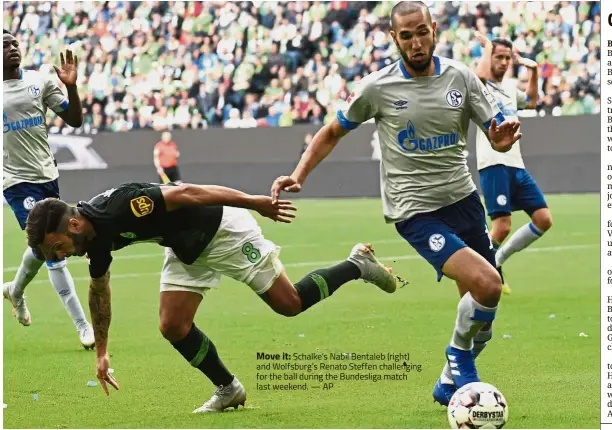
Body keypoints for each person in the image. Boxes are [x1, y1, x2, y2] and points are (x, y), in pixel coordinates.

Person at [270, 1, 521, 407]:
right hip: (416, 211)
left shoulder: (461, 78)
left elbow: (493, 131)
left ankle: (446, 383)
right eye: (406, 35)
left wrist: (499, 140)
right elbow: (332, 131)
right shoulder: (377, 87)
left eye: (422, 32)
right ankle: (457, 358)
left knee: (482, 318)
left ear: (434, 29)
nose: (416, 42)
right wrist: (299, 174)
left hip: (464, 201)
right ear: (394, 38)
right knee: (489, 284)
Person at [25, 181, 396, 412]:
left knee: (290, 304)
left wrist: (254, 202)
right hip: (186, 248)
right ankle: (229, 388)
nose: (60, 256)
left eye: (57, 247)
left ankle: (357, 264)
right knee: (173, 325)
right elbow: (99, 290)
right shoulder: (94, 240)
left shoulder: (122, 205)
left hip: (221, 230)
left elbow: (188, 193)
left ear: (72, 225)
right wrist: (103, 350)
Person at [2, 29, 94, 348]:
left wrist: (71, 87)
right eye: (4, 45)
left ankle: (15, 289)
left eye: (14, 43)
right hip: (16, 183)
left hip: (47, 176)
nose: (12, 48)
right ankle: (83, 326)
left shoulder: (39, 81)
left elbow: (74, 120)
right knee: (53, 247)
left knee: (43, 249)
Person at [474, 33, 553, 295]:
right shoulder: (480, 86)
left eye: (508, 58)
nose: (505, 62)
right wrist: (487, 47)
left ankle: (498, 259)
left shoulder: (509, 89)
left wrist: (532, 72)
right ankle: (480, 273)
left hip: (516, 164)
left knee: (543, 219)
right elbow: (480, 73)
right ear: (489, 58)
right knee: (503, 225)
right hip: (493, 162)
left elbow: (531, 101)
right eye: (499, 57)